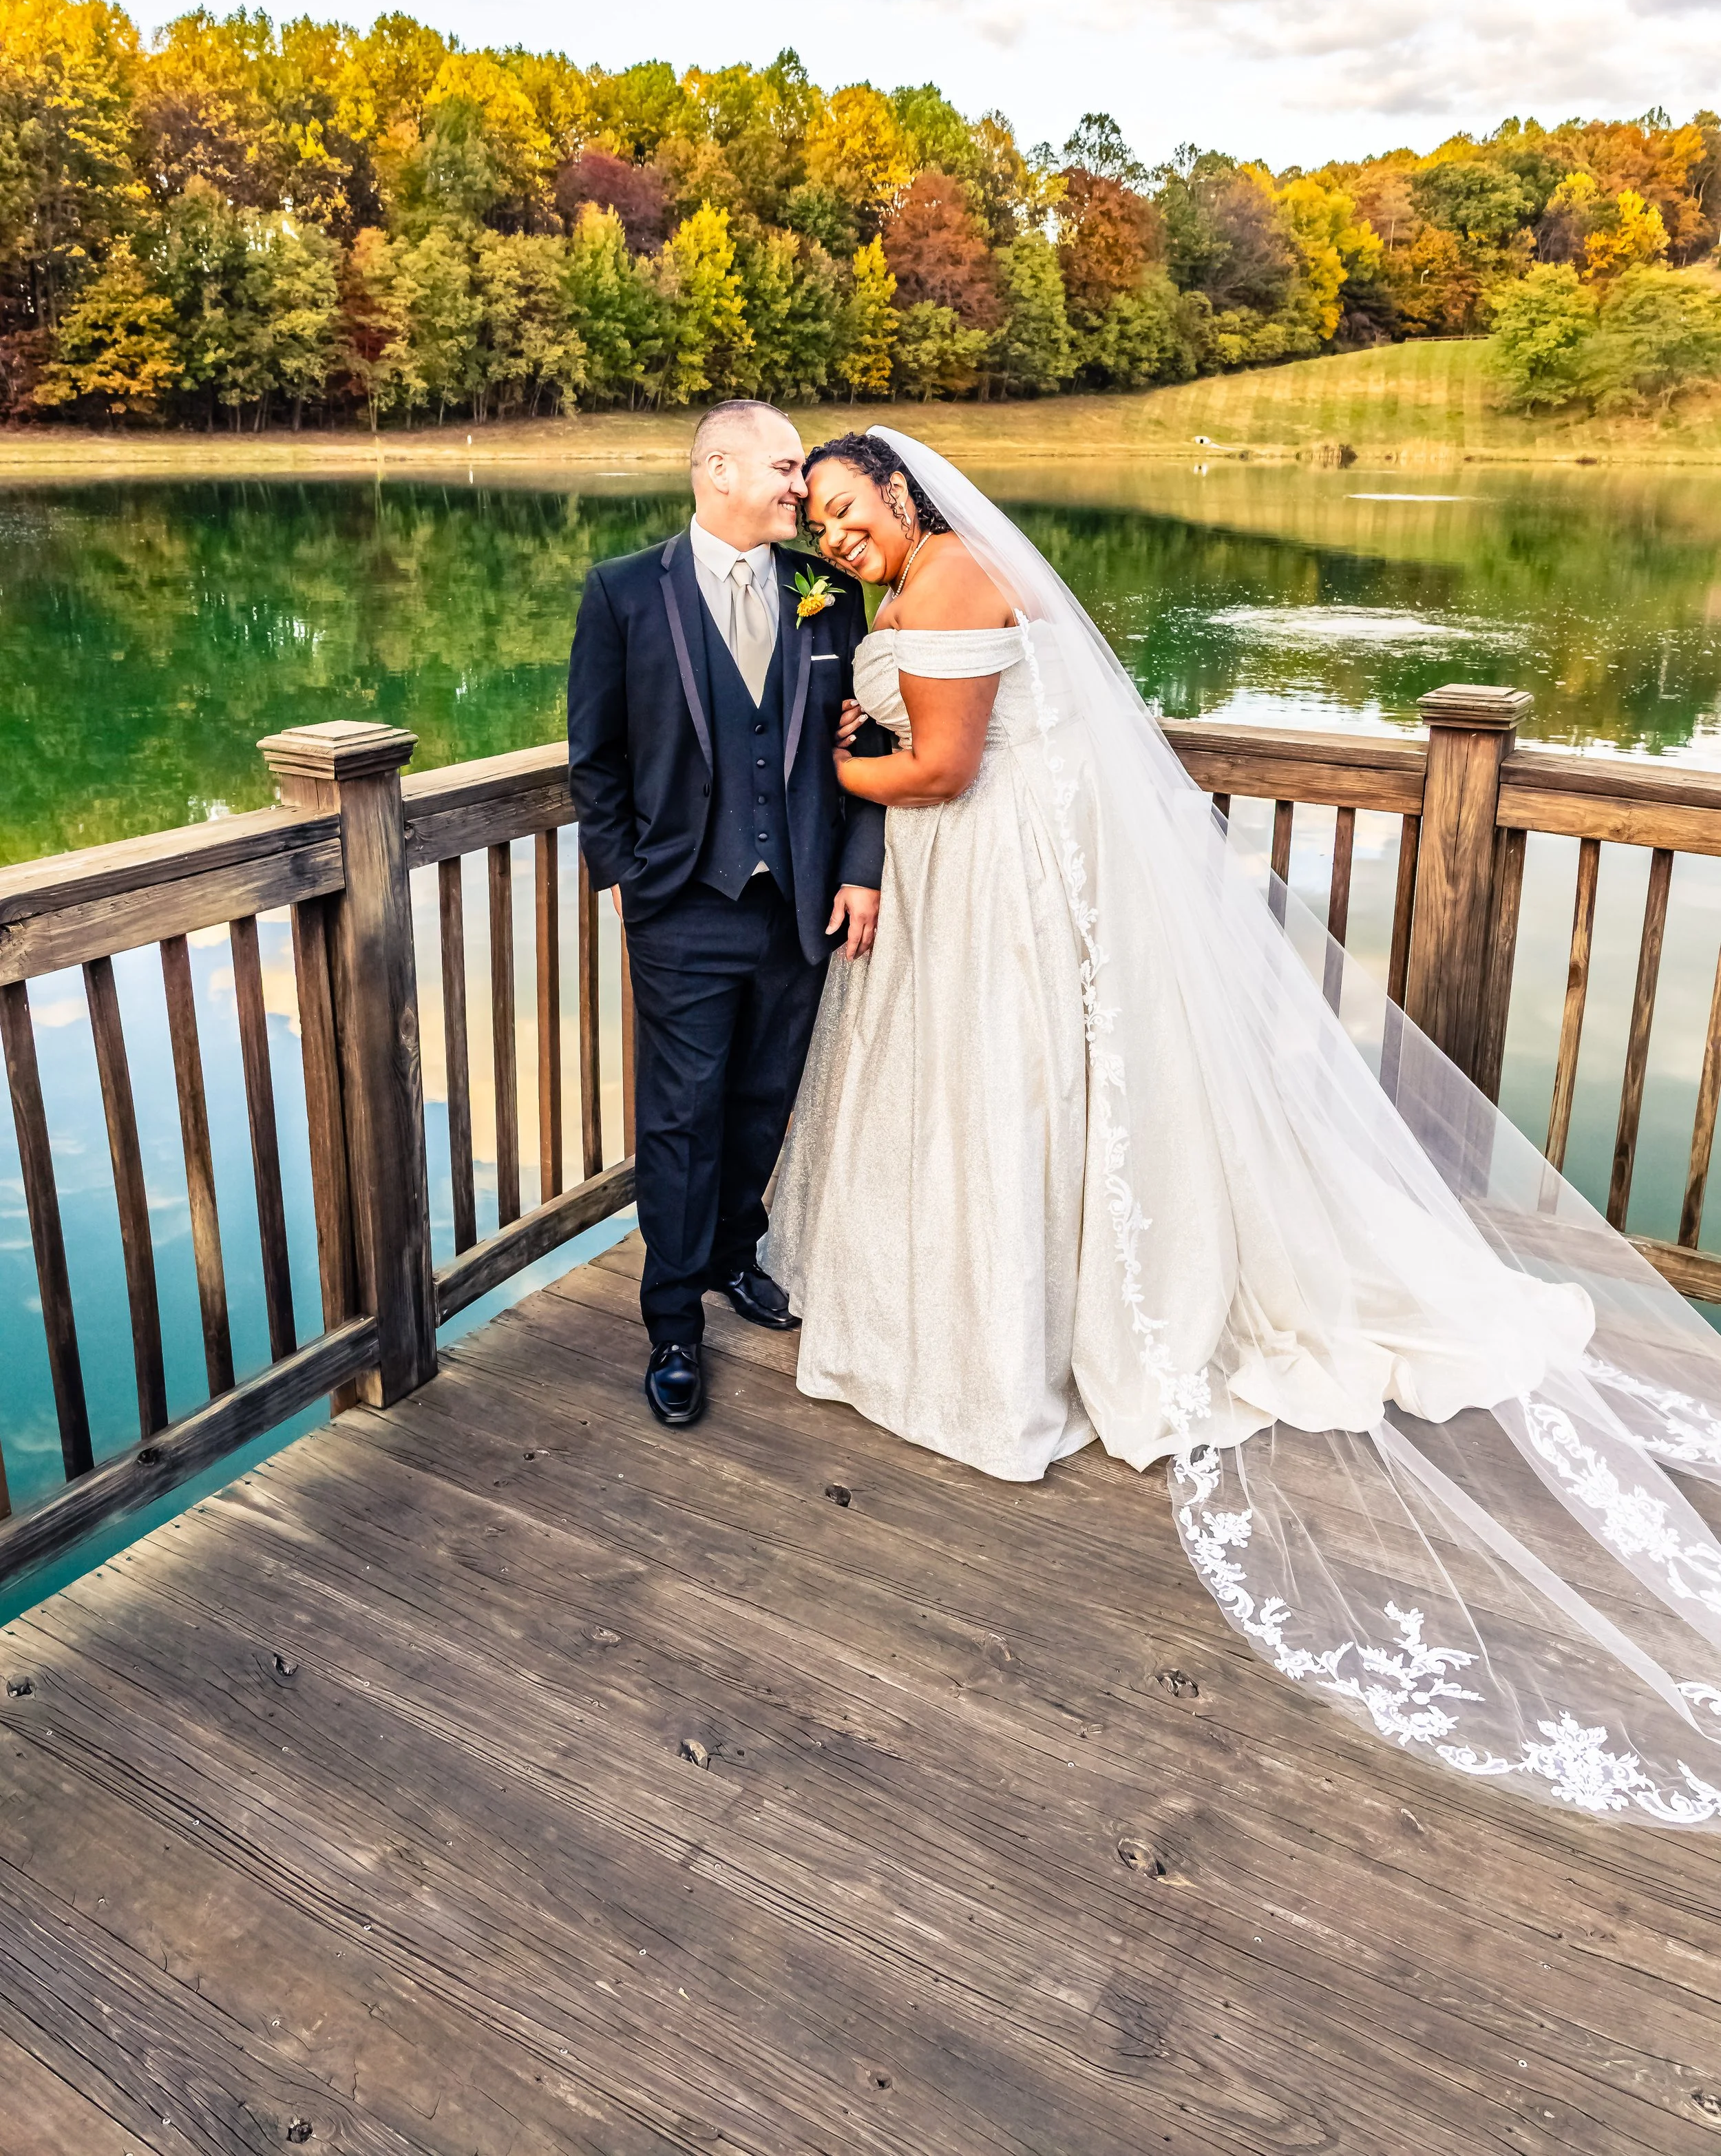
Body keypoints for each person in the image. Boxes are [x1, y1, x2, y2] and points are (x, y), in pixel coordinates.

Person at [766, 427, 1721, 1826]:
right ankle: (947, 1306)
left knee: (1011, 1089)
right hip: (955, 881)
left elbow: (946, 769)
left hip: (989, 869)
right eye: (822, 526)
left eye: (852, 511)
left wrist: (834, 773)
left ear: (901, 494)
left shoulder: (957, 573)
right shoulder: (902, 587)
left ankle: (1008, 1338)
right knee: (970, 1095)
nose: (839, 538)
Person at [566, 399, 884, 1430]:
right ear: (720, 472)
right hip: (681, 907)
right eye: (788, 468)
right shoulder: (621, 593)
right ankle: (672, 1323)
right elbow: (595, 756)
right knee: (680, 1113)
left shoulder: (828, 592)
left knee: (762, 1100)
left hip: (799, 898)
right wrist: (629, 877)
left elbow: (872, 741)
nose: (803, 489)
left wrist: (860, 866)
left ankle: (737, 1254)